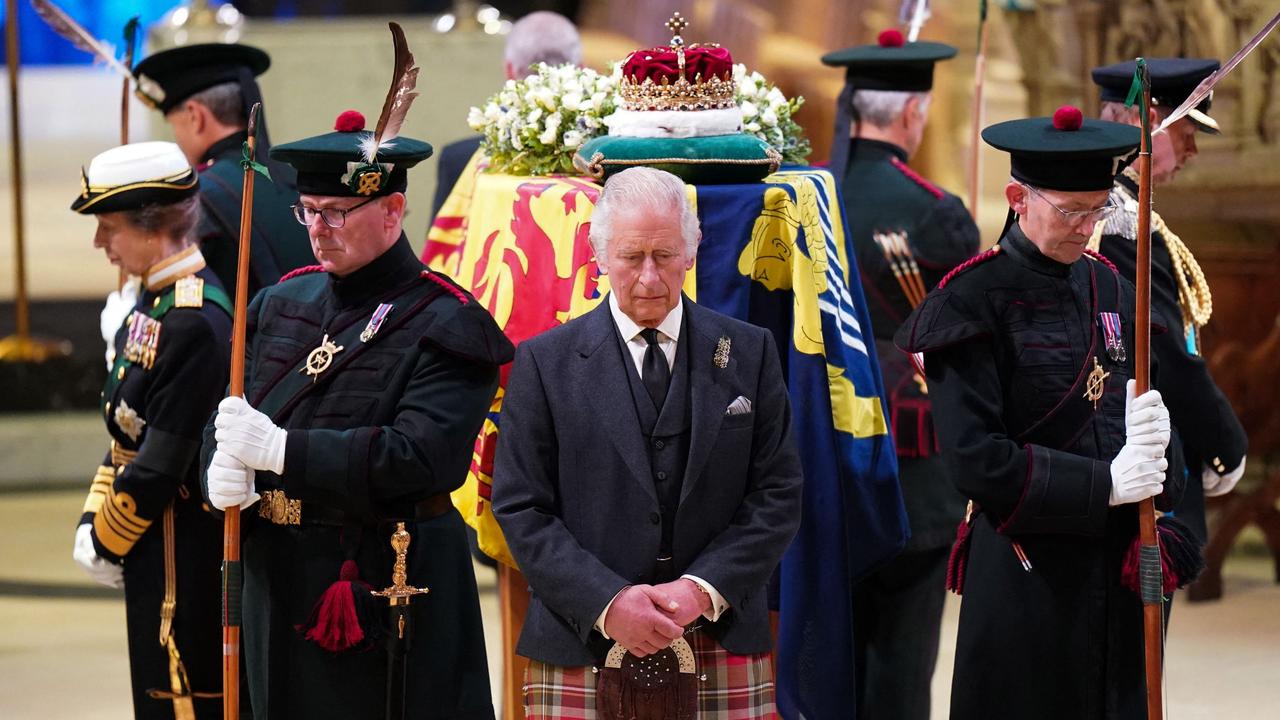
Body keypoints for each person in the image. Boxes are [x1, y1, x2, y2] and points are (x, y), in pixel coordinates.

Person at [198, 106, 513, 719]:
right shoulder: (279, 301)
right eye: (308, 211)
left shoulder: (449, 322)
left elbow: (421, 458)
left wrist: (284, 453)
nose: (318, 229)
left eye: (336, 213)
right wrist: (217, 466)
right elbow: (234, 414)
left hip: (381, 585)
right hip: (274, 576)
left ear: (392, 211)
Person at [896, 108, 1183, 718]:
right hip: (1026, 572)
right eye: (1071, 211)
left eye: (1098, 209)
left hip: (1115, 569)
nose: (1086, 227)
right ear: (1018, 199)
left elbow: (1135, 407)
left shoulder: (1110, 285)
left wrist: (1162, 446)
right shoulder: (968, 300)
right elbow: (976, 459)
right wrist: (1104, 483)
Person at [491, 167, 803, 718]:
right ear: (600, 255)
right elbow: (520, 507)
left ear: (692, 249)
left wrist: (700, 590)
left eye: (665, 255)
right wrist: (608, 603)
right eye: (632, 257)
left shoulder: (750, 352)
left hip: (718, 633)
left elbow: (777, 495)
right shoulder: (544, 362)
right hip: (578, 637)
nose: (650, 278)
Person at [821, 29, 979, 719]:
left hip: (821, 452)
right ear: (914, 114)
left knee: (827, 653)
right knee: (904, 661)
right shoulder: (935, 213)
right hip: (912, 458)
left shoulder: (804, 199)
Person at [71, 141, 232, 719]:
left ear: (154, 226)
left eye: (108, 227)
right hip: (150, 544)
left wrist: (105, 538)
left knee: (180, 697)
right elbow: (125, 434)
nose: (99, 243)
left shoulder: (191, 320)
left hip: (176, 555)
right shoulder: (154, 303)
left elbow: (161, 464)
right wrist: (94, 516)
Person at [1090, 58, 1248, 544]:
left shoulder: (1114, 206)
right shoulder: (1117, 218)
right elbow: (1165, 353)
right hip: (1137, 453)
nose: (1193, 151)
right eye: (1187, 134)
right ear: (1150, 122)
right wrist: (1226, 443)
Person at [132, 43, 314, 301]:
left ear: (196, 116)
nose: (177, 138)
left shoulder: (196, 197)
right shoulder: (299, 178)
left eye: (174, 125)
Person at [430, 10, 582, 220]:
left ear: (509, 70)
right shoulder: (601, 162)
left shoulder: (460, 161)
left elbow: (443, 249)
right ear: (581, 69)